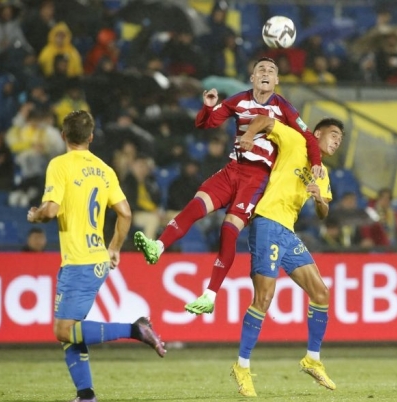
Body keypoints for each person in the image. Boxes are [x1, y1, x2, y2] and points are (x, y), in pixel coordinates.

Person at [134, 57, 324, 315]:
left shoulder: (284, 108)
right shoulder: (238, 100)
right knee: (195, 206)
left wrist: (316, 163)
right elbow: (205, 124)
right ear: (252, 78)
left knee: (228, 229)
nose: (265, 73)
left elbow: (310, 138)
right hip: (232, 170)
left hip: (257, 178)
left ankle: (210, 294)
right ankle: (158, 247)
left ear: (277, 80)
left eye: (271, 70)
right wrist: (208, 107)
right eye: (260, 70)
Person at [27, 110, 165, 402]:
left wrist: (35, 215)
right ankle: (86, 396)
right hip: (97, 258)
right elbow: (125, 213)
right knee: (71, 333)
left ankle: (135, 329)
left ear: (63, 135)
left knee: (63, 330)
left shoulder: (59, 165)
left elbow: (50, 210)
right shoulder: (104, 169)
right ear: (90, 137)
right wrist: (114, 248)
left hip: (79, 261)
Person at [231, 115, 343, 397]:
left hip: (287, 232)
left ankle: (312, 359)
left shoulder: (322, 173)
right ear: (317, 133)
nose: (337, 141)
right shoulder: (295, 140)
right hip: (267, 221)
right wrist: (248, 135)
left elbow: (323, 213)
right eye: (333, 135)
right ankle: (241, 366)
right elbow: (264, 120)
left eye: (340, 139)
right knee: (264, 298)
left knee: (321, 292)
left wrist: (319, 199)